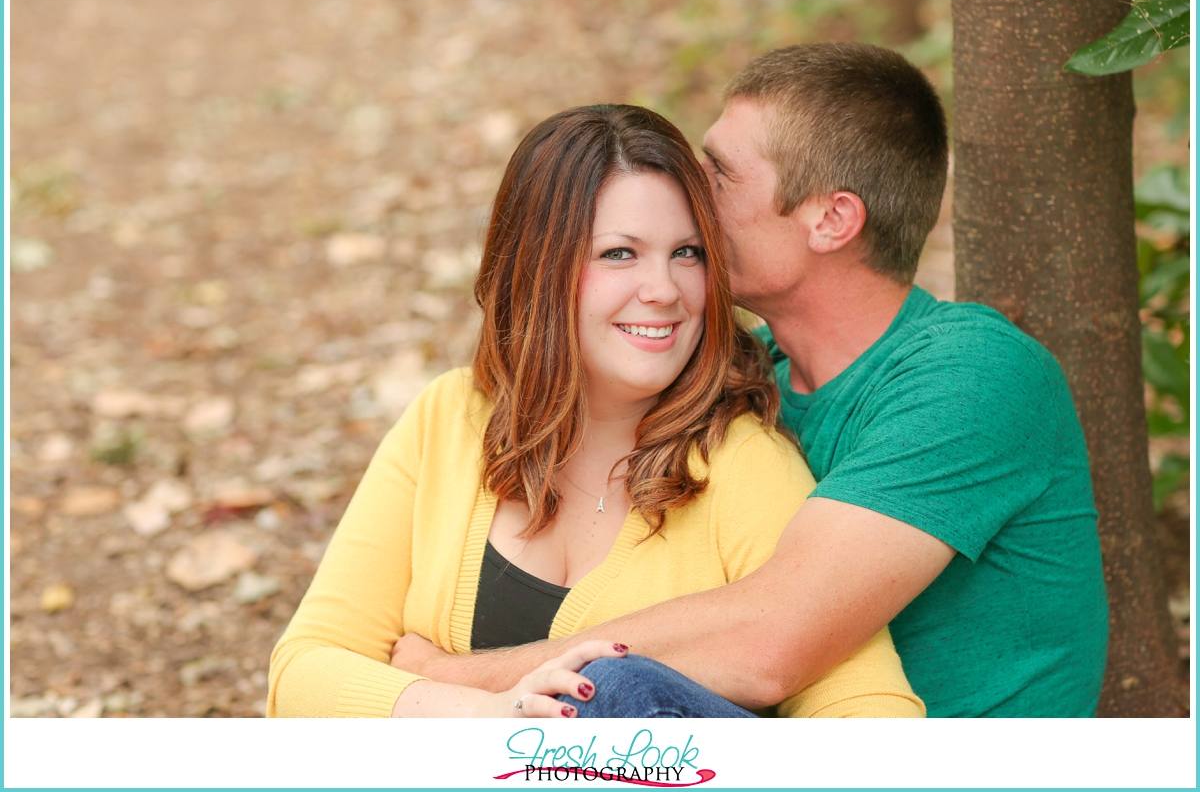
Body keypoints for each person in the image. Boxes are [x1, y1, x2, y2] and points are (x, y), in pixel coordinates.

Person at [390, 43, 1110, 718]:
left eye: (720, 172)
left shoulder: (974, 374)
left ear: (831, 219)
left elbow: (771, 642)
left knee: (617, 693)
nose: (687, 187)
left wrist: (451, 679)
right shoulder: (740, 373)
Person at [268, 103, 924, 718]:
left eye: (687, 253)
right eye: (620, 253)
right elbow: (303, 673)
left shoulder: (744, 465)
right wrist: (483, 713)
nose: (664, 289)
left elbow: (872, 712)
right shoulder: (451, 419)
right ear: (537, 265)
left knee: (614, 691)